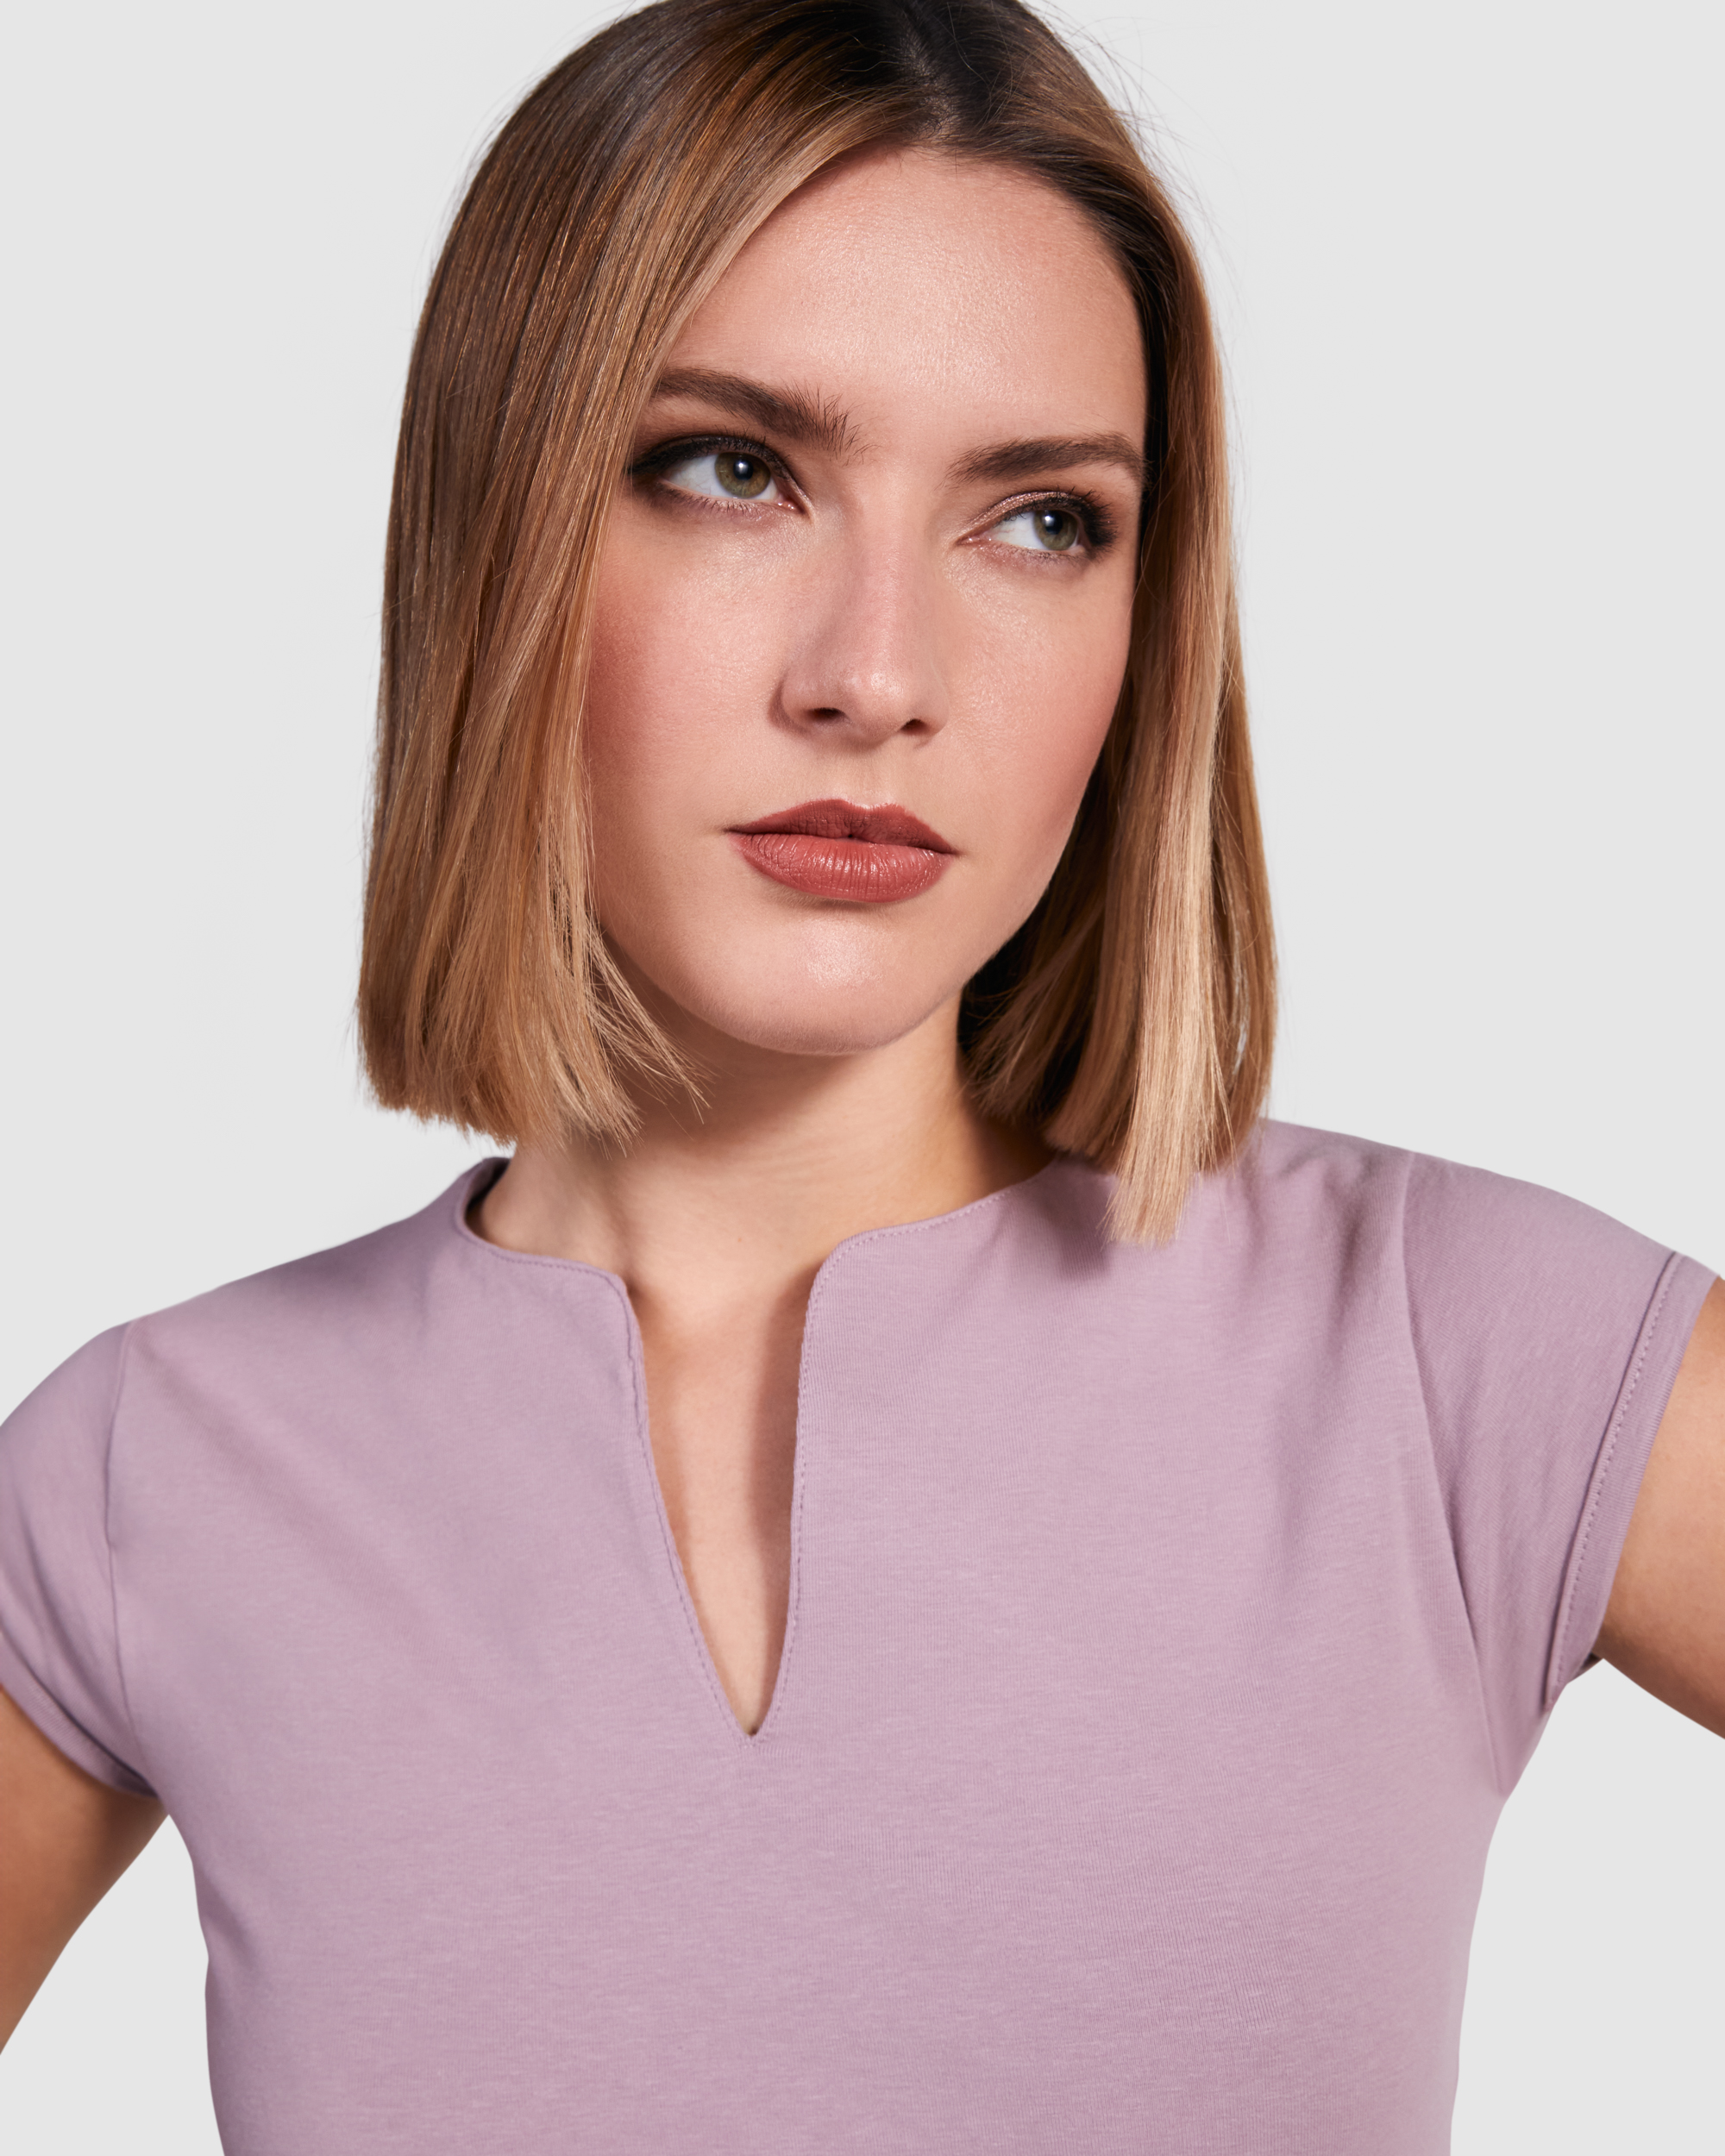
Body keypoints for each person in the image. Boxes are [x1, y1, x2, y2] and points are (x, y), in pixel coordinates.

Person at [1, 0, 1719, 2148]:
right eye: (733, 469)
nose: (879, 674)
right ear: (497, 528)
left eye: (1042, 519)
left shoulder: (1469, 1356)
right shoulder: (150, 1474)